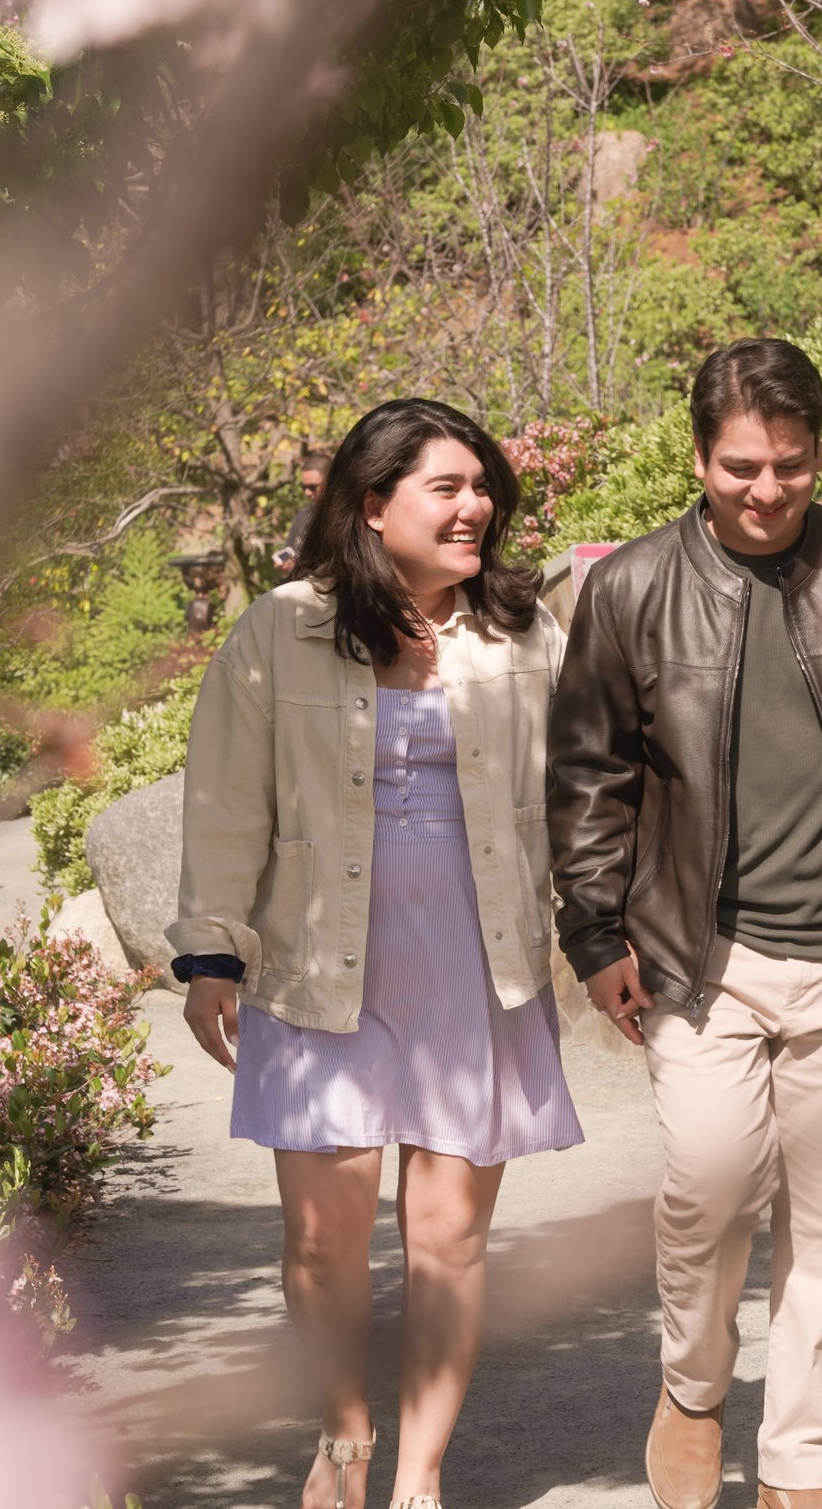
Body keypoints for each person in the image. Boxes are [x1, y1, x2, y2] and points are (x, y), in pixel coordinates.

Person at [546, 339, 822, 1509]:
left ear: (817, 455)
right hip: (700, 956)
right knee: (711, 1178)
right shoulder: (631, 588)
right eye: (741, 466)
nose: (766, 490)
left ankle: (799, 1468)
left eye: (790, 466)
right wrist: (594, 934)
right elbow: (589, 774)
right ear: (699, 458)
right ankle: (693, 1391)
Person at [167, 399, 583, 1509]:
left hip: (473, 966)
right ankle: (344, 1438)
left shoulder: (526, 633)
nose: (474, 506)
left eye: (482, 486)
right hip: (318, 965)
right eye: (446, 488)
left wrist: (610, 925)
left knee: (448, 1240)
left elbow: (585, 796)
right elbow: (225, 800)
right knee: (322, 1240)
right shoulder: (279, 629)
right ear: (370, 506)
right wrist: (212, 951)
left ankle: (419, 1480)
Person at [274, 445, 335, 575]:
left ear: (330, 481)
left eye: (312, 487)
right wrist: (289, 565)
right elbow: (291, 551)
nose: (307, 493)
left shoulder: (348, 517)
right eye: (304, 487)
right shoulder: (302, 516)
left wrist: (301, 568)